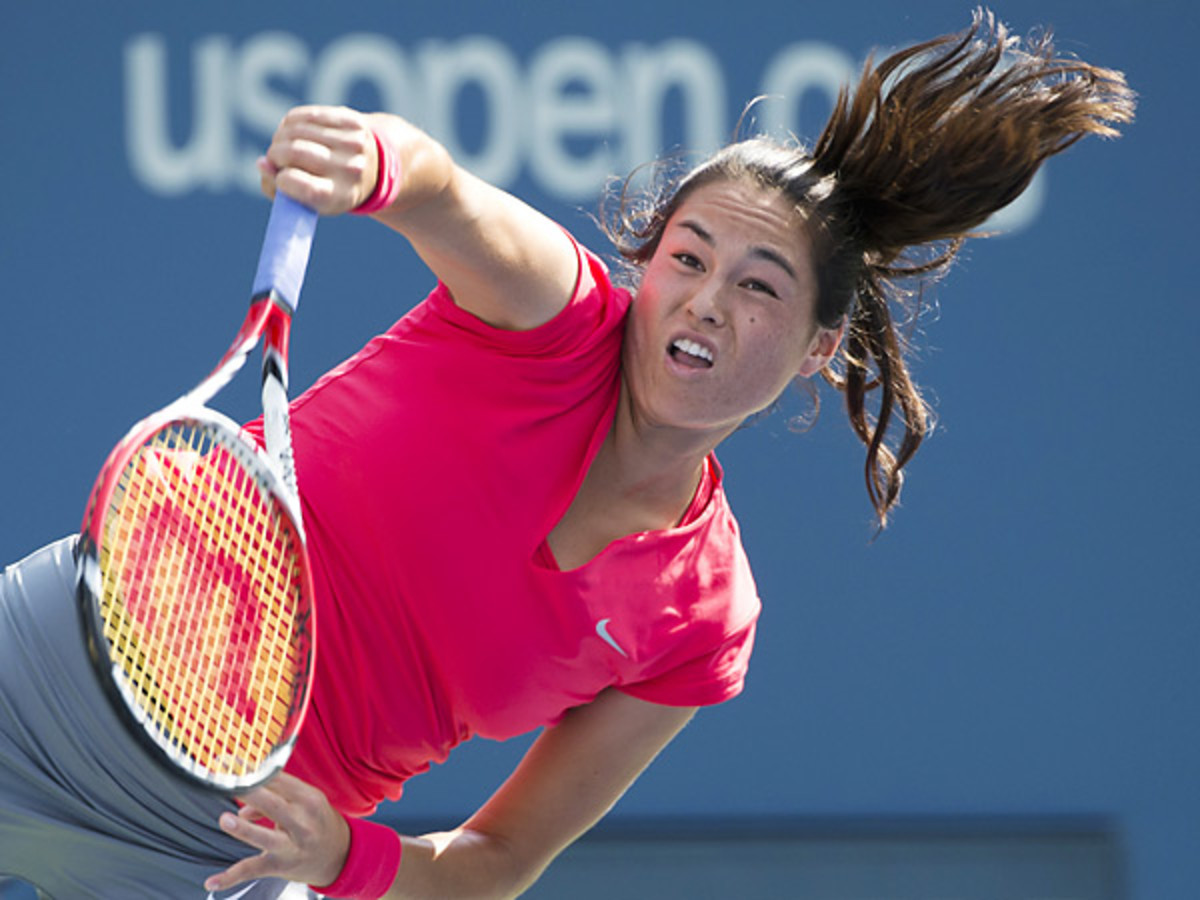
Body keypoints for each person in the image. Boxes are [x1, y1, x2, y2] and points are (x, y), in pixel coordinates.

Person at [0, 11, 1133, 899]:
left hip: (238, 837)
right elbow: (434, 182)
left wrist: (347, 858)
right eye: (688, 257)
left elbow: (494, 864)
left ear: (814, 349)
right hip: (64, 664)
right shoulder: (548, 314)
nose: (705, 300)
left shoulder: (702, 619)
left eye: (759, 286)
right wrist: (371, 162)